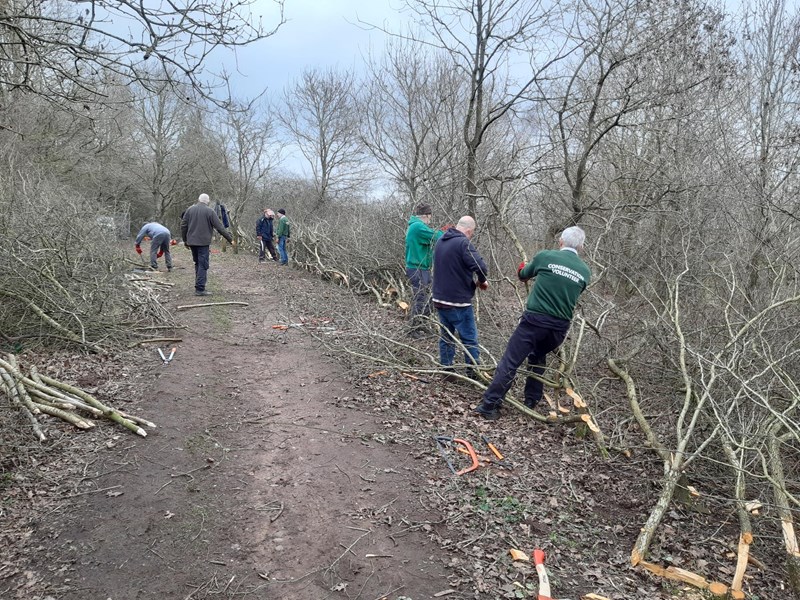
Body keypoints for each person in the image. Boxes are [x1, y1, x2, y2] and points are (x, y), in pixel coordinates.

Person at [475, 226, 591, 420]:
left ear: (561, 242)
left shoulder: (545, 257)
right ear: (581, 247)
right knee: (538, 355)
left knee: (510, 361)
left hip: (534, 321)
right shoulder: (585, 271)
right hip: (559, 330)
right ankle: (532, 399)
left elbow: (523, 275)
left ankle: (489, 405)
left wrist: (523, 267)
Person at [432, 216, 489, 379]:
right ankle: (473, 373)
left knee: (446, 336)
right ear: (469, 231)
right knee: (469, 338)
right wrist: (482, 281)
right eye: (472, 234)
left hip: (440, 299)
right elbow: (480, 266)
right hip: (458, 301)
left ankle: (446, 370)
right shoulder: (463, 243)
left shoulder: (441, 240)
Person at [180, 193, 234, 296]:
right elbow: (220, 227)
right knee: (203, 264)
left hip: (192, 242)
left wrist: (185, 240)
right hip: (203, 243)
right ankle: (200, 289)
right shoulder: (210, 211)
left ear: (198, 199)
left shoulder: (190, 210)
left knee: (197, 263)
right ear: (207, 201)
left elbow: (183, 225)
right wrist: (230, 240)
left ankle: (198, 285)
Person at [405, 203, 443, 337]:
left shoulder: (416, 226)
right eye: (430, 216)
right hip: (417, 268)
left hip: (421, 268)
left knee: (432, 295)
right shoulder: (418, 227)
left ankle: (421, 323)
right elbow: (437, 236)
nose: (430, 219)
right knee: (420, 298)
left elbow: (431, 240)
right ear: (427, 215)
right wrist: (450, 232)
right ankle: (413, 330)